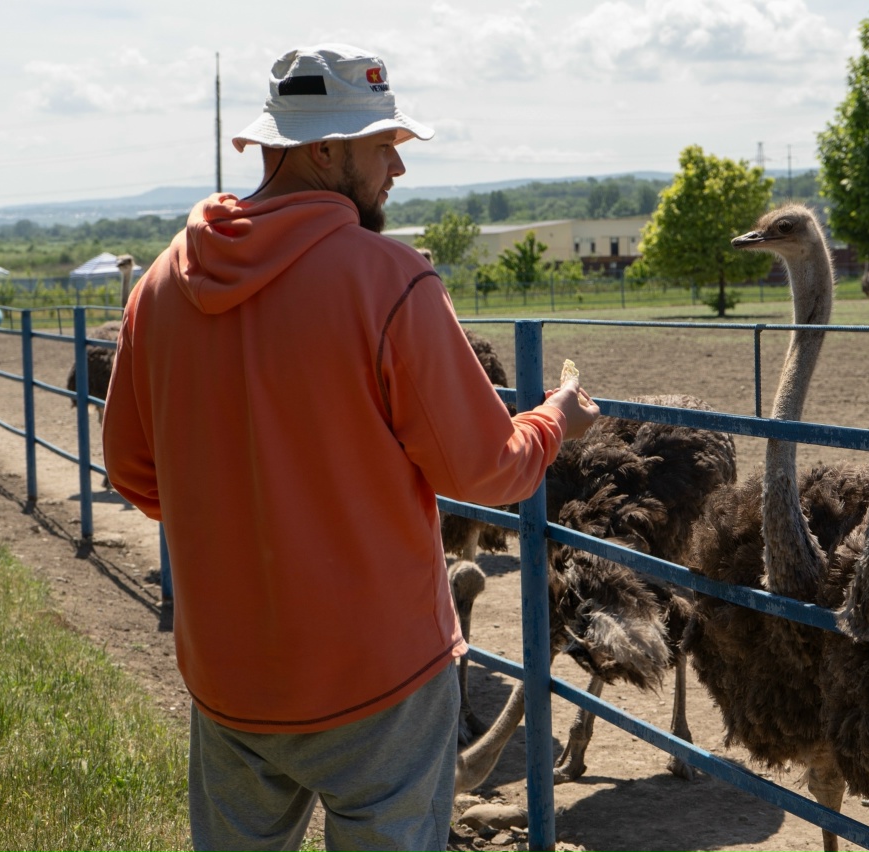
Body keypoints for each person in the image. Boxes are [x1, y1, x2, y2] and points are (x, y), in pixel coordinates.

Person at [102, 43, 599, 852]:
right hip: (380, 682)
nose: (397, 169)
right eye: (383, 146)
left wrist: (243, 520)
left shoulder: (159, 287)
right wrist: (555, 419)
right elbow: (486, 469)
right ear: (325, 152)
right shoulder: (389, 280)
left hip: (231, 676)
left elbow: (132, 471)